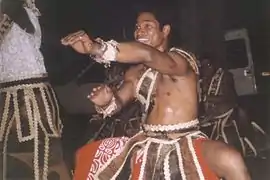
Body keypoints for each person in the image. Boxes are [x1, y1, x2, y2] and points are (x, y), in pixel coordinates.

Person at [62, 3, 250, 180]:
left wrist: (97, 47)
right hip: (147, 141)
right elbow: (118, 102)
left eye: (148, 26)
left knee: (230, 159)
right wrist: (106, 101)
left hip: (185, 140)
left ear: (165, 31)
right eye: (137, 27)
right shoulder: (136, 72)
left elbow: (147, 53)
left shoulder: (180, 61)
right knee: (86, 156)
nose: (140, 31)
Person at [0, 0, 71, 179]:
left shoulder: (27, 9)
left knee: (46, 155)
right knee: (16, 158)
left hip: (37, 96)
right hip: (14, 99)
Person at [199, 55, 270, 157]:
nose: (205, 68)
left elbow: (229, 98)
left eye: (208, 65)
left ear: (214, 65)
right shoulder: (203, 80)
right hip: (210, 115)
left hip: (226, 112)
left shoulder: (225, 77)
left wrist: (207, 98)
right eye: (203, 66)